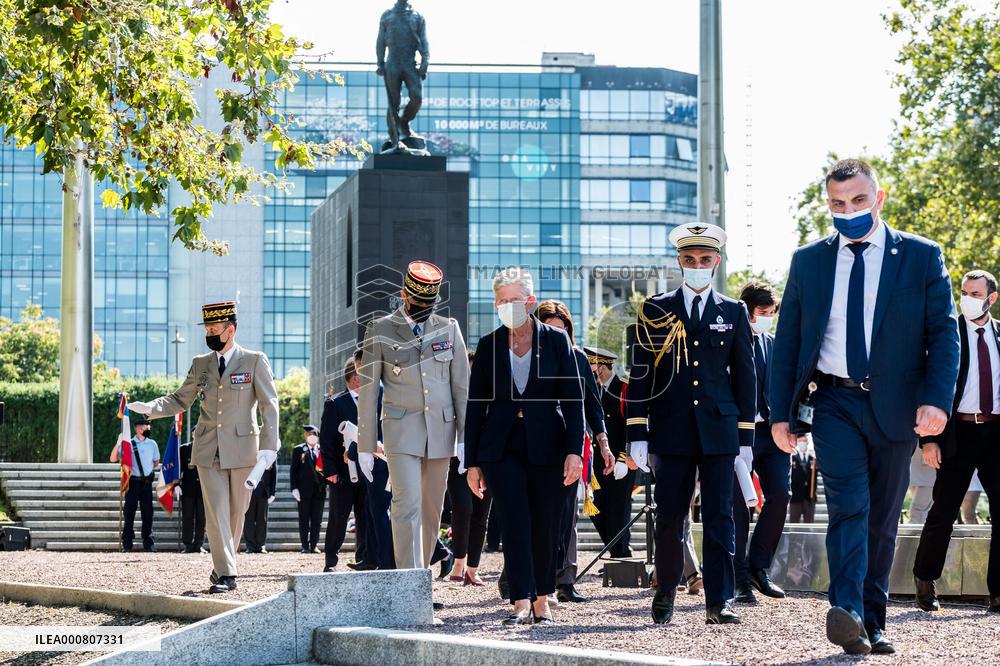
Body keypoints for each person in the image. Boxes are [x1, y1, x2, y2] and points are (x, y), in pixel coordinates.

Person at [769, 159, 959, 654]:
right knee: (849, 507)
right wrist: (779, 413)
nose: (847, 211)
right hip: (833, 400)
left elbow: (943, 334)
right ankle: (847, 610)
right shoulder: (809, 261)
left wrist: (937, 401)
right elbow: (787, 340)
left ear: (879, 197)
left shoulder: (920, 256)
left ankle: (874, 620)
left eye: (856, 200)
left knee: (882, 514)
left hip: (896, 407)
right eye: (836, 203)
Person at [627, 222, 756, 626]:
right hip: (671, 429)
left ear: (715, 262)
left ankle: (719, 600)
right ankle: (665, 591)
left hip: (719, 430)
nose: (697, 265)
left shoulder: (733, 311)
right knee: (669, 517)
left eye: (704, 259)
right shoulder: (655, 309)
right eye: (689, 260)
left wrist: (746, 437)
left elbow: (745, 376)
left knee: (720, 516)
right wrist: (637, 432)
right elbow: (640, 372)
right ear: (680, 263)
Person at [127, 300, 280, 594]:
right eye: (207, 329)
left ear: (230, 330)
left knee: (238, 512)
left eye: (214, 329)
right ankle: (227, 574)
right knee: (217, 512)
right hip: (208, 448)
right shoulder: (201, 364)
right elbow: (179, 399)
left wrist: (270, 445)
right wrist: (151, 408)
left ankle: (224, 564)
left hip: (244, 449)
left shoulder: (254, 360)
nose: (209, 334)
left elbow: (268, 405)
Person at [465, 267, 584, 625]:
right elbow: (475, 406)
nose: (508, 306)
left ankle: (543, 598)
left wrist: (575, 451)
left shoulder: (556, 341)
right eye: (501, 301)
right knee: (514, 521)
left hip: (548, 444)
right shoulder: (488, 345)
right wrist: (472, 462)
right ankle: (519, 599)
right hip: (501, 448)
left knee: (545, 524)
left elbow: (574, 399)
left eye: (514, 300)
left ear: (530, 301)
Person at [357, 261, 470, 587]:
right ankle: (410, 585)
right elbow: (367, 391)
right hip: (400, 430)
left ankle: (421, 577)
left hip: (441, 432)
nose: (422, 310)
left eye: (428, 305)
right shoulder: (379, 329)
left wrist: (465, 438)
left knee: (432, 509)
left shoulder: (448, 329)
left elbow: (461, 388)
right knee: (406, 502)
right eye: (417, 304)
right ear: (404, 294)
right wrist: (366, 444)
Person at [913, 269, 1000, 614]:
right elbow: (932, 387)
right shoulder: (949, 336)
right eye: (964, 291)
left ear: (991, 298)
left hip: (995, 434)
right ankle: (924, 578)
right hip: (957, 434)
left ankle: (998, 593)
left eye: (975, 293)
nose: (968, 298)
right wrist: (929, 440)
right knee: (943, 510)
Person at [535, 300, 613, 605]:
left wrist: (604, 444)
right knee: (535, 512)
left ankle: (565, 579)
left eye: (562, 329)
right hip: (535, 444)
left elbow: (593, 406)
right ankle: (517, 576)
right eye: (549, 329)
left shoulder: (580, 359)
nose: (557, 335)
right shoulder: (527, 358)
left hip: (572, 446)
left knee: (566, 514)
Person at [732, 281, 790, 604]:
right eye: (762, 313)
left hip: (771, 432)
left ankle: (758, 566)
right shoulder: (731, 340)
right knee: (739, 507)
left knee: (781, 495)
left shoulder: (774, 344)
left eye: (771, 313)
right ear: (747, 311)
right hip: (739, 434)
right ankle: (738, 578)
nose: (768, 318)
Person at [444, 346, 492, 586]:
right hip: (457, 460)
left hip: (487, 459)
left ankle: (473, 567)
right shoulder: (452, 395)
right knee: (463, 508)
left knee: (481, 514)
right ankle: (459, 561)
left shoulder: (489, 394)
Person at [320, 356, 372, 572]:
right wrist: (330, 470)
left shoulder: (373, 402)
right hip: (341, 474)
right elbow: (327, 439)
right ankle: (331, 560)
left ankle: (364, 558)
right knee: (338, 518)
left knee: (366, 516)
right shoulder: (336, 403)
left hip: (369, 471)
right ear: (355, 378)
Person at [586, 346, 636, 559]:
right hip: (599, 461)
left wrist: (624, 458)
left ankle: (620, 555)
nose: (590, 369)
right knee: (597, 508)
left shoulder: (624, 387)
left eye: (592, 364)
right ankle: (616, 548)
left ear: (602, 365)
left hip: (620, 461)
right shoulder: (595, 389)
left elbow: (631, 425)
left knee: (618, 508)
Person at [110, 418, 159, 552]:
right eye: (144, 427)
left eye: (148, 427)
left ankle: (148, 544)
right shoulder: (129, 444)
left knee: (148, 514)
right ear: (138, 428)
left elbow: (155, 461)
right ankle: (127, 544)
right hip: (132, 483)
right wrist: (118, 444)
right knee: (129, 514)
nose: (147, 429)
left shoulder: (152, 444)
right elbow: (113, 458)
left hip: (146, 483)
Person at [291, 425, 326, 553]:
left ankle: (314, 545)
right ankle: (305, 546)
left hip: (319, 491)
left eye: (313, 434)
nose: (311, 436)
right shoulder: (299, 450)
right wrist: (294, 488)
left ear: (317, 436)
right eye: (308, 434)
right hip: (303, 491)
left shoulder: (322, 450)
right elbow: (293, 471)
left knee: (317, 520)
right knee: (304, 519)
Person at [178, 439, 207, 553]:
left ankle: (199, 544)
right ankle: (188, 544)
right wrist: (176, 484)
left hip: (203, 489)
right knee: (188, 517)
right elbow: (178, 467)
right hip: (188, 488)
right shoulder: (184, 449)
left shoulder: (207, 447)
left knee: (202, 518)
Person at [242, 455, 276, 553]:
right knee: (249, 520)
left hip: (263, 491)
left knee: (262, 520)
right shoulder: (248, 451)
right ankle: (250, 546)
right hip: (249, 491)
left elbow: (274, 473)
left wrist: (273, 492)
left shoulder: (269, 452)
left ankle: (261, 545)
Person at [788, 439, 818, 523]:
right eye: (801, 441)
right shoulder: (792, 458)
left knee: (809, 524)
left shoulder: (813, 459)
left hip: (809, 497)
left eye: (804, 441)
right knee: (794, 522)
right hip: (795, 496)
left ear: (808, 443)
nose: (803, 443)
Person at [907, 447, 936, 524]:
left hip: (928, 474)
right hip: (915, 471)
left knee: (917, 510)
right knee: (918, 510)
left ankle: (917, 534)